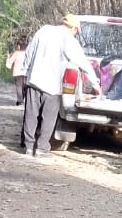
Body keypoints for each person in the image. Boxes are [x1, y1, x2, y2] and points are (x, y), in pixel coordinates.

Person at [21, 14, 101, 157]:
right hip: (52, 87)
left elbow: (29, 53)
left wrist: (25, 73)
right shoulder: (69, 40)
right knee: (48, 118)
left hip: (34, 80)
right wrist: (95, 84)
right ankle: (41, 149)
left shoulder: (44, 30)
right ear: (75, 29)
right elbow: (83, 63)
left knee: (31, 115)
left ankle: (28, 147)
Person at [6, 37, 28, 106]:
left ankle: (20, 100)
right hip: (26, 73)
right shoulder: (28, 53)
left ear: (19, 45)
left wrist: (8, 57)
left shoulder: (16, 53)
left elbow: (9, 63)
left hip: (17, 73)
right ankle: (24, 99)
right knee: (25, 87)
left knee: (19, 87)